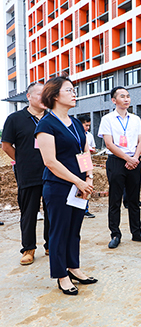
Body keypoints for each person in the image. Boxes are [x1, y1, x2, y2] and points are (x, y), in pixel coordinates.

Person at [35, 76, 97, 296]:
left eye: (74, 90)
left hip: (80, 186)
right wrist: (77, 180)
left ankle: (74, 268)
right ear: (54, 95)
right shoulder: (46, 124)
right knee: (59, 231)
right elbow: (50, 161)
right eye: (69, 90)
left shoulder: (76, 124)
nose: (74, 93)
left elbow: (84, 152)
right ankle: (61, 275)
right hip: (59, 187)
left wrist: (88, 177)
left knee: (74, 230)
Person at [98, 86, 141, 249]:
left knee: (134, 199)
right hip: (116, 161)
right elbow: (109, 143)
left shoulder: (135, 119)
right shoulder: (107, 119)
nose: (127, 99)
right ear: (114, 100)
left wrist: (135, 158)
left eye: (128, 96)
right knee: (115, 199)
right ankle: (115, 234)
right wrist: (127, 158)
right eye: (122, 96)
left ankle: (136, 232)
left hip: (134, 161)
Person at [2, 82, 50, 265]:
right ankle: (28, 249)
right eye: (40, 94)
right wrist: (22, 160)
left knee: (51, 211)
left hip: (52, 172)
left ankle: (50, 245)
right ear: (29, 97)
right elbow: (6, 145)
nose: (44, 98)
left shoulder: (51, 117)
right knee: (29, 212)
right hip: (28, 173)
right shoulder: (15, 119)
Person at [78, 115, 96, 218]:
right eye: (86, 125)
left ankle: (85, 208)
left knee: (87, 184)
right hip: (77, 160)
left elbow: (93, 148)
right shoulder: (75, 133)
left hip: (85, 161)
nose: (87, 128)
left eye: (89, 125)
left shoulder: (89, 135)